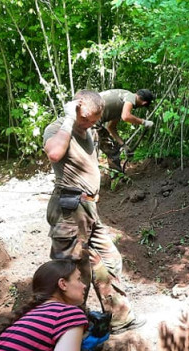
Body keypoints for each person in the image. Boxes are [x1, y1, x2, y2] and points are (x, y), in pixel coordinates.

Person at [43, 90, 140, 333]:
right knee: (72, 271)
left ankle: (118, 317)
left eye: (94, 120)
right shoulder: (58, 128)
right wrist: (68, 119)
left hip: (87, 209)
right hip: (69, 210)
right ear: (73, 109)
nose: (89, 124)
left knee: (110, 260)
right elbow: (54, 153)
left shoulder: (88, 131)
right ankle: (65, 328)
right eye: (85, 118)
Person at [96, 88, 155, 172]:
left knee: (112, 149)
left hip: (86, 119)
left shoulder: (120, 104)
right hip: (90, 123)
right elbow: (126, 116)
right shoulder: (130, 96)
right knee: (112, 152)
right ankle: (117, 177)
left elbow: (111, 127)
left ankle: (116, 176)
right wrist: (144, 122)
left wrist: (123, 145)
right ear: (144, 103)